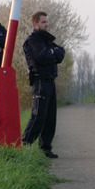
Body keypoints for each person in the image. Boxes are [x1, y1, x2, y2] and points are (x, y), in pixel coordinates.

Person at [21, 11, 66, 158]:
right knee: (39, 114)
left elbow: (61, 53)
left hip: (50, 80)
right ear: (36, 24)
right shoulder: (32, 41)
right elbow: (42, 57)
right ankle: (25, 145)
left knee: (50, 117)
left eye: (47, 22)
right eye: (43, 22)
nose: (46, 24)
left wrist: (52, 52)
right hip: (40, 81)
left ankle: (45, 147)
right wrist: (52, 53)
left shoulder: (46, 40)